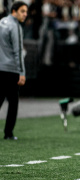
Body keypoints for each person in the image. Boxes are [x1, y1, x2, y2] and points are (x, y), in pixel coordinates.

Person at [0, 1, 28, 140]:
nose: (25, 15)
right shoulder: (15, 26)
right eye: (22, 11)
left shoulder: (1, 22)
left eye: (26, 12)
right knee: (13, 103)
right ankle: (8, 133)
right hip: (11, 70)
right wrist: (22, 73)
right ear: (14, 11)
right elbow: (18, 51)